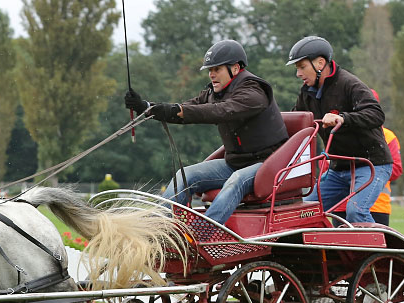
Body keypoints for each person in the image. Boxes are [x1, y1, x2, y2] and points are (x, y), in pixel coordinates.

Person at [124, 39, 289, 224]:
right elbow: (185, 109)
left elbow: (221, 110)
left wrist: (177, 110)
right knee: (185, 175)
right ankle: (159, 227)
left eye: (217, 69)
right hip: (235, 163)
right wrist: (147, 107)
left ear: (235, 68)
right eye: (210, 70)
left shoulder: (253, 92)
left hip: (267, 166)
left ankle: (205, 233)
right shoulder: (213, 92)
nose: (211, 75)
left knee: (236, 181)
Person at [287, 35, 393, 224]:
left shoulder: (349, 84)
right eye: (297, 68)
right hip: (338, 168)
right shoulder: (306, 93)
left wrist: (343, 118)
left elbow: (376, 114)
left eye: (302, 67)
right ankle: (322, 253)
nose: (298, 74)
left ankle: (383, 253)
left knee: (356, 212)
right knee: (303, 213)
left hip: (372, 164)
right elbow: (296, 123)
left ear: (320, 63)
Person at [330, 91, 403, 226]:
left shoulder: (388, 136)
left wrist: (363, 170)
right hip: (341, 204)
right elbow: (327, 165)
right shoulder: (339, 133)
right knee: (343, 246)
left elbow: (396, 169)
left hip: (376, 205)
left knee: (371, 244)